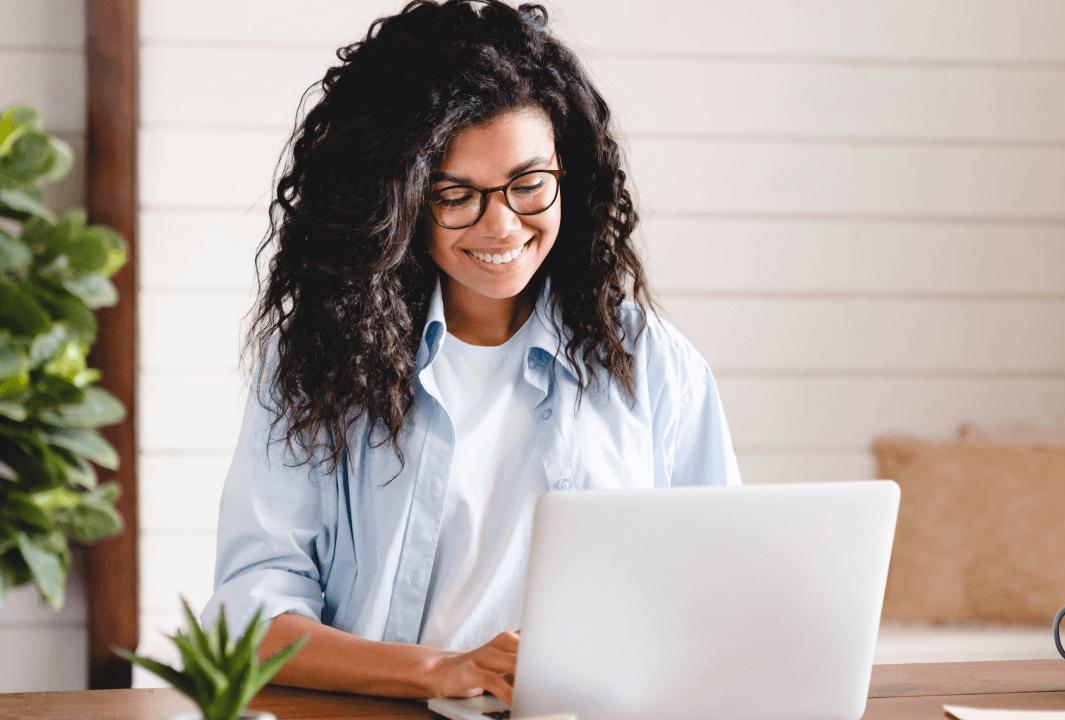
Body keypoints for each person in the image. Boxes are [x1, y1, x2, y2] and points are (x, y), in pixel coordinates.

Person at [199, 0, 741, 707]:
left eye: (529, 184)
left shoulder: (649, 361)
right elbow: (249, 619)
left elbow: (725, 590)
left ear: (567, 173)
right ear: (395, 200)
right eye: (455, 194)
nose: (502, 224)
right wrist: (441, 671)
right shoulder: (317, 362)